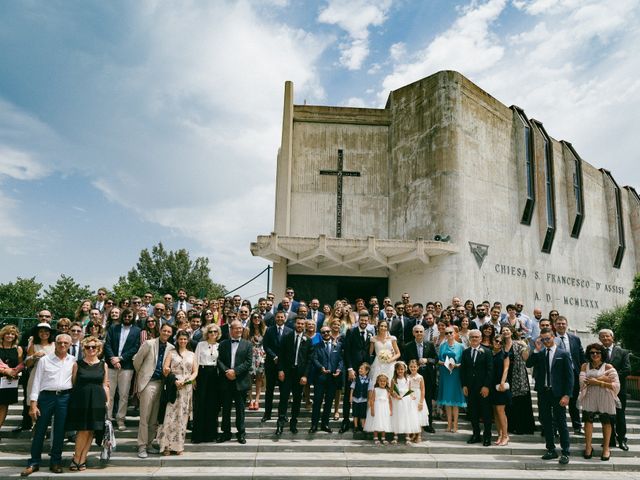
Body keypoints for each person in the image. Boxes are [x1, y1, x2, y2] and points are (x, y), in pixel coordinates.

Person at [21, 334, 75, 476]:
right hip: (46, 397)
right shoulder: (45, 360)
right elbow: (36, 382)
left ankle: (55, 462)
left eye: (65, 343)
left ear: (70, 345)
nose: (62, 345)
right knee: (40, 430)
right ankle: (33, 462)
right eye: (59, 342)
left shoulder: (73, 361)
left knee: (59, 431)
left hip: (64, 397)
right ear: (55, 344)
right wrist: (33, 404)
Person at [527, 327, 574, 465]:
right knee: (546, 422)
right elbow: (528, 363)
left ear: (553, 337)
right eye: (543, 339)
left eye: (548, 338)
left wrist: (567, 395)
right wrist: (536, 349)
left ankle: (565, 452)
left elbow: (569, 377)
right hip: (544, 393)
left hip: (558, 394)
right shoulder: (540, 354)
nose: (546, 341)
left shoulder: (563, 354)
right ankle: (551, 449)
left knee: (561, 422)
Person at [67, 336, 109, 471]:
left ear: (98, 349)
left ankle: (83, 458)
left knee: (91, 430)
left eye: (94, 347)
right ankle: (76, 457)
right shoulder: (77, 364)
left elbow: (105, 384)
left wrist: (107, 401)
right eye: (87, 347)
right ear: (84, 349)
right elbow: (73, 382)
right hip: (81, 399)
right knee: (82, 430)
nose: (91, 349)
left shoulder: (104, 364)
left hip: (98, 399)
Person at [133, 323, 174, 458]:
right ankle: (141, 446)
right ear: (160, 331)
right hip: (148, 383)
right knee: (145, 416)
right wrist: (143, 377)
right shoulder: (149, 344)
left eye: (169, 332)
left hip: (161, 384)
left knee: (154, 418)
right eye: (164, 331)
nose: (166, 333)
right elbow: (137, 361)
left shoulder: (171, 348)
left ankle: (149, 444)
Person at [158, 330, 197, 455]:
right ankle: (166, 446)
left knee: (182, 417)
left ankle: (178, 445)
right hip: (173, 386)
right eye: (181, 339)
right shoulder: (171, 353)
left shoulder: (192, 354)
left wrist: (187, 381)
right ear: (177, 340)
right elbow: (165, 369)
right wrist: (170, 375)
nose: (183, 341)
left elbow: (195, 372)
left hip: (186, 388)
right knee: (170, 416)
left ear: (188, 340)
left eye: (185, 339)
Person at [579, 342, 620, 461]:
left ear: (602, 353)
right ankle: (588, 447)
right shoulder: (584, 366)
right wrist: (603, 378)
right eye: (592, 353)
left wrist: (597, 382)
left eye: (597, 352)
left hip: (605, 396)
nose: (595, 354)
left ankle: (606, 448)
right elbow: (583, 383)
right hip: (589, 396)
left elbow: (616, 385)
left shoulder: (608, 367)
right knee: (587, 421)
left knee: (606, 422)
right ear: (588, 354)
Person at [104, 308, 141, 431]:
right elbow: (107, 344)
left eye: (129, 316)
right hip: (111, 366)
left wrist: (120, 358)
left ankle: (120, 419)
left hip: (126, 367)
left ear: (133, 317)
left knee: (124, 395)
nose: (126, 318)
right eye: (125, 316)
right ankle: (107, 420)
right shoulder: (113, 328)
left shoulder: (137, 331)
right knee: (110, 394)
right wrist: (113, 359)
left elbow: (136, 347)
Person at [217, 320, 252, 444]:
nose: (239, 331)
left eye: (240, 329)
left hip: (240, 381)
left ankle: (241, 432)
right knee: (226, 409)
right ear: (231, 329)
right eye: (236, 328)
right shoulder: (223, 344)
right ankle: (226, 432)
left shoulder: (248, 344)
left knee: (240, 409)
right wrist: (227, 371)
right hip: (226, 380)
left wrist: (235, 372)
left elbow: (248, 362)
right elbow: (219, 360)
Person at [276, 316, 312, 435]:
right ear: (295, 324)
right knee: (284, 399)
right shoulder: (287, 337)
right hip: (287, 373)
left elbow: (309, 360)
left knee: (297, 400)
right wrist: (280, 370)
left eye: (302, 324)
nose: (300, 325)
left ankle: (293, 423)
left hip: (299, 374)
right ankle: (280, 423)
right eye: (298, 323)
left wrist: (305, 376)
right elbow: (281, 354)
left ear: (305, 326)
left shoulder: (308, 339)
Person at [339, 312, 373, 433]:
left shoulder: (370, 333)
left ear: (368, 321)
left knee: (363, 396)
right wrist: (350, 369)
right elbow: (347, 351)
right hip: (353, 369)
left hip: (365, 370)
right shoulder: (351, 331)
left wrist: (368, 370)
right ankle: (346, 421)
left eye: (366, 321)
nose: (363, 322)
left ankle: (360, 422)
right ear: (358, 321)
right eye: (362, 320)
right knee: (350, 394)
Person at [599, 328, 630, 451]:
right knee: (606, 415)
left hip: (618, 390)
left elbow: (627, 370)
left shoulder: (623, 352)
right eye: (603, 337)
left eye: (607, 336)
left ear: (612, 338)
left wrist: (612, 378)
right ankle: (610, 440)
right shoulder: (597, 352)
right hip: (603, 389)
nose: (605, 338)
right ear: (599, 339)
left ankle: (622, 439)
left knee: (620, 415)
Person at [461, 329, 493, 446]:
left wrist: (486, 386)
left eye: (476, 337)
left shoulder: (487, 351)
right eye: (472, 337)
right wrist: (464, 384)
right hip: (470, 387)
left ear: (480, 339)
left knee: (486, 413)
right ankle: (476, 435)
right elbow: (463, 370)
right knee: (473, 413)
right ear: (469, 339)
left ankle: (487, 436)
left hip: (483, 388)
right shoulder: (465, 352)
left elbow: (490, 370)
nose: (474, 339)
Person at [554, 315, 585, 434]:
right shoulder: (551, 339)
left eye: (563, 323)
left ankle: (577, 426)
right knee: (557, 402)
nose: (561, 325)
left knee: (574, 402)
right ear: (555, 325)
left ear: (566, 325)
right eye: (559, 323)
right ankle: (556, 427)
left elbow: (581, 356)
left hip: (573, 373)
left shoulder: (575, 339)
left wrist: (584, 372)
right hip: (557, 375)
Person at [403, 324, 437, 431]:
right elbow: (404, 360)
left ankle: (428, 424)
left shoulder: (430, 345)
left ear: (424, 333)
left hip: (427, 376)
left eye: (421, 331)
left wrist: (427, 360)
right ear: (413, 333)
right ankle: (414, 423)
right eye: (416, 332)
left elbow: (436, 359)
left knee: (427, 399)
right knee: (413, 400)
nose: (419, 334)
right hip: (413, 377)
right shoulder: (408, 346)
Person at [191, 324, 221, 443]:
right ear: (206, 333)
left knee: (212, 405)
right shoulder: (200, 344)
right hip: (202, 374)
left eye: (215, 332)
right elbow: (196, 361)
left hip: (214, 375)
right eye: (210, 331)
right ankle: (198, 435)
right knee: (200, 404)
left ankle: (211, 434)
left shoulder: (220, 346)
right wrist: (194, 378)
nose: (213, 333)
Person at [501, 325, 535, 435]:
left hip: (519, 375)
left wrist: (525, 346)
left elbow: (525, 358)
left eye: (507, 330)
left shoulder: (518, 344)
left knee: (520, 401)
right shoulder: (500, 345)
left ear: (511, 332)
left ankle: (523, 427)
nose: (505, 332)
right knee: (509, 402)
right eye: (503, 331)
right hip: (505, 374)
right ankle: (511, 426)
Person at [309, 326, 343, 433]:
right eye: (323, 332)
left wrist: (339, 369)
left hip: (333, 378)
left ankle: (325, 424)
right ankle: (314, 425)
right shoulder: (316, 346)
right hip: (320, 377)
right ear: (321, 334)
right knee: (317, 402)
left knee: (328, 402)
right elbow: (314, 359)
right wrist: (320, 367)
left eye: (328, 331)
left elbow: (341, 360)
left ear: (331, 332)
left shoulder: (338, 345)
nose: (326, 334)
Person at [437, 326, 466, 432]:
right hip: (445, 374)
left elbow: (465, 362)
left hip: (456, 374)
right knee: (448, 402)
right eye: (447, 333)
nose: (449, 335)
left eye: (451, 333)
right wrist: (444, 363)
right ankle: (448, 424)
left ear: (455, 333)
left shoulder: (461, 346)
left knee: (455, 401)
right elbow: (438, 360)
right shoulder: (442, 346)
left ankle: (455, 425)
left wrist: (456, 365)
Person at [0, 325, 23, 434]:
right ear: (3, 335)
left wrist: (15, 372)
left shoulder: (18, 349)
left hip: (9, 381)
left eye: (12, 334)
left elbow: (21, 363)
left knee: (4, 405)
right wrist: (6, 370)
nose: (10, 336)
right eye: (8, 333)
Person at [390, 361, 419, 444]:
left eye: (402, 369)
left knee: (406, 417)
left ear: (405, 370)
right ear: (396, 370)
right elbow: (391, 392)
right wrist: (395, 396)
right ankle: (395, 436)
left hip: (406, 401)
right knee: (397, 417)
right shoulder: (393, 380)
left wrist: (412, 396)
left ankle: (407, 436)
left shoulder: (408, 379)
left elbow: (409, 391)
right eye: (398, 369)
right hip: (397, 401)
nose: (400, 371)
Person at [25, 323, 55, 403]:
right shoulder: (33, 345)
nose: (44, 333)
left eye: (46, 331)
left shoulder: (55, 345)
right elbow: (27, 364)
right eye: (41, 331)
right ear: (37, 333)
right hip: (36, 375)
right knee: (35, 400)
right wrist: (34, 356)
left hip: (51, 375)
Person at [491, 335, 511, 446]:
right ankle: (499, 434)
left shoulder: (504, 354)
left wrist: (502, 382)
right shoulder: (490, 353)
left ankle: (505, 436)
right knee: (495, 411)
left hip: (501, 385)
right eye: (496, 341)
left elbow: (506, 368)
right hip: (492, 385)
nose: (498, 343)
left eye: (500, 342)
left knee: (500, 411)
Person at [368, 320, 400, 389]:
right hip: (378, 363)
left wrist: (391, 359)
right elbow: (370, 353)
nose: (383, 328)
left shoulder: (392, 338)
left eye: (385, 326)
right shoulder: (373, 339)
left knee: (390, 383)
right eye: (381, 326)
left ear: (387, 328)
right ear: (378, 327)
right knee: (376, 383)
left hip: (390, 363)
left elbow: (398, 353)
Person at [245, 313, 266, 411]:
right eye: (255, 317)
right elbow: (244, 343)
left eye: (259, 317)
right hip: (250, 355)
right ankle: (251, 400)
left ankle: (257, 400)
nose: (257, 319)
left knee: (259, 379)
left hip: (261, 357)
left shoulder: (264, 329)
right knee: (249, 379)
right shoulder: (247, 330)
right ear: (252, 319)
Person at [365, 374, 392, 444]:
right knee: (376, 422)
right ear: (378, 382)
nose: (382, 383)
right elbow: (372, 400)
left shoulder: (387, 390)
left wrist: (390, 410)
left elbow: (389, 401)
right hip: (377, 408)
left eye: (384, 381)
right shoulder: (376, 389)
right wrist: (372, 409)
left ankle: (383, 438)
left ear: (386, 382)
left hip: (385, 409)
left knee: (384, 422)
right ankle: (375, 437)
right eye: (381, 381)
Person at [407, 359, 428, 442]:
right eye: (411, 367)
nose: (413, 368)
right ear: (408, 367)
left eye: (414, 367)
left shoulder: (420, 377)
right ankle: (413, 433)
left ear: (418, 367)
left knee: (419, 415)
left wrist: (421, 402)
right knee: (412, 416)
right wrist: (410, 396)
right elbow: (407, 389)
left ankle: (419, 435)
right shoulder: (407, 377)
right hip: (411, 397)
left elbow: (423, 390)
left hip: (418, 397)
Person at [349, 362, 370, 435]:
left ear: (367, 371)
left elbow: (369, 391)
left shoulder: (369, 380)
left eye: (362, 369)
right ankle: (355, 426)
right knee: (355, 413)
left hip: (364, 399)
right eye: (359, 368)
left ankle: (363, 426)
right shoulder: (356, 379)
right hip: (356, 399)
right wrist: (351, 397)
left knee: (363, 414)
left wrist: (369, 399)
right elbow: (352, 388)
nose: (359, 370)